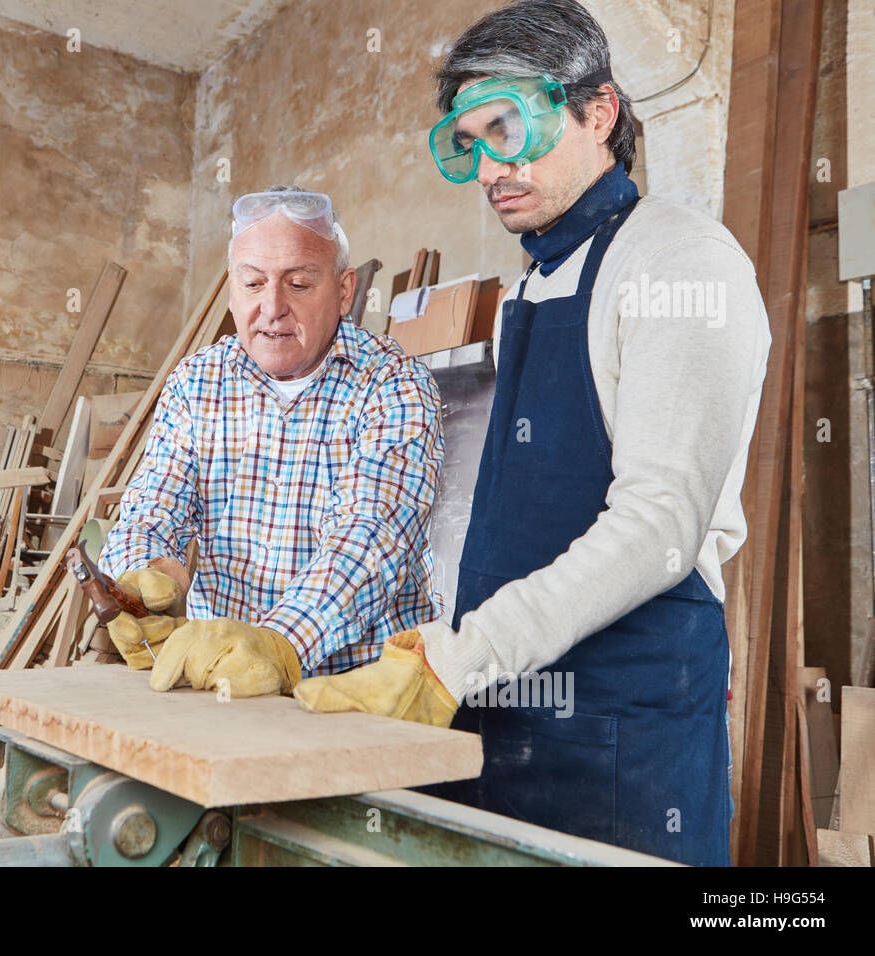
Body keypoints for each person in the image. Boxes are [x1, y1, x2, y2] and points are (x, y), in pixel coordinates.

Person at [292, 0, 770, 867]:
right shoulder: (532, 287)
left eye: (509, 127)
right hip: (495, 704)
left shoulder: (680, 262)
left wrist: (468, 653)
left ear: (599, 112)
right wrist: (449, 654)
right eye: (469, 141)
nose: (488, 166)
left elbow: (660, 525)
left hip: (618, 728)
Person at [98, 186, 444, 697]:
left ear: (345, 291)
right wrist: (142, 575)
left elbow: (370, 539)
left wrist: (276, 644)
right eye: (253, 283)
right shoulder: (198, 382)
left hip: (356, 695)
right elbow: (151, 506)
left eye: (299, 284)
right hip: (223, 688)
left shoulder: (394, 384)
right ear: (232, 291)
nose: (272, 307)